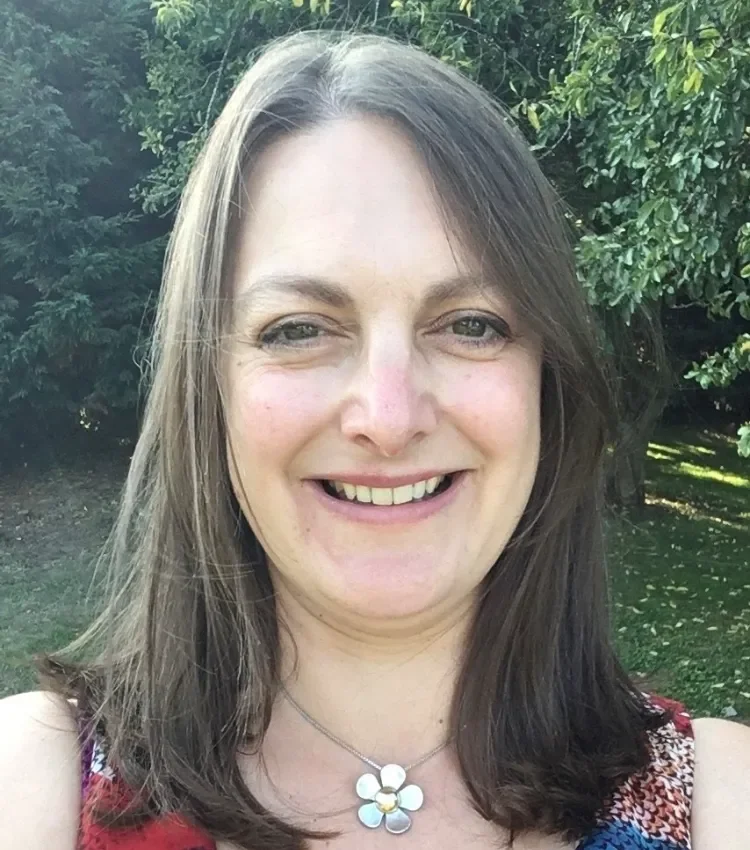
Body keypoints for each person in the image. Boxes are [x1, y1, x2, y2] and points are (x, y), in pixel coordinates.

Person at [0, 29, 748, 850]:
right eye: (297, 330)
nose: (389, 418)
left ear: (549, 380)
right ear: (206, 388)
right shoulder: (30, 785)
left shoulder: (722, 805)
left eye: (471, 324)